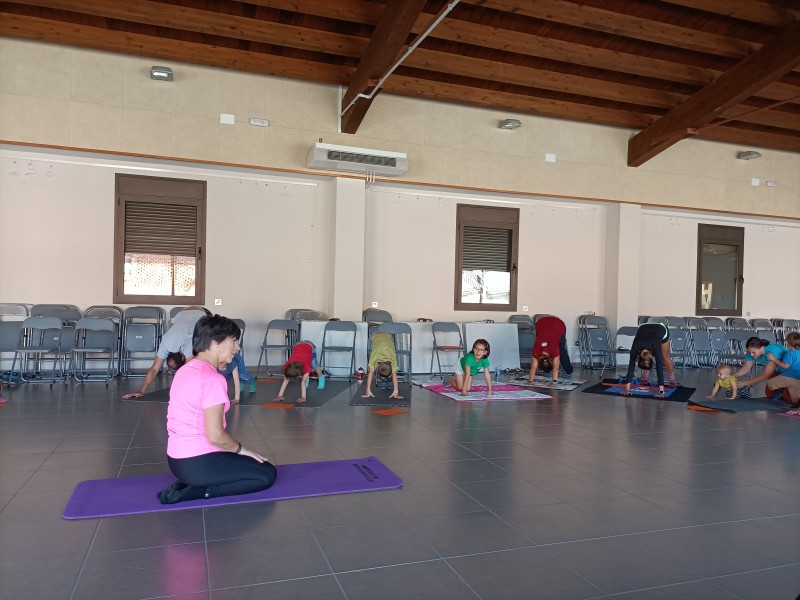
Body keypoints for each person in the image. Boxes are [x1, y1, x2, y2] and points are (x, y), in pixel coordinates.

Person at [158, 314, 277, 504]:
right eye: (234, 341)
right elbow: (215, 436)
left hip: (177, 460)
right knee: (266, 474)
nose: (237, 347)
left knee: (250, 464)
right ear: (215, 342)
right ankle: (199, 491)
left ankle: (188, 483)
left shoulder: (185, 370)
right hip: (198, 463)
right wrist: (242, 450)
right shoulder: (212, 379)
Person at [122, 307, 207, 399]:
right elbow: (154, 369)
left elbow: (190, 370)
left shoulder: (188, 344)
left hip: (200, 313)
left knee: (198, 360)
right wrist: (141, 391)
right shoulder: (165, 345)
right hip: (181, 314)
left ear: (183, 357)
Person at [622, 322, 676, 398]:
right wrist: (627, 389)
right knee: (634, 357)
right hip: (644, 328)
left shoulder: (655, 346)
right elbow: (631, 365)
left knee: (665, 356)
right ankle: (645, 377)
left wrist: (661, 392)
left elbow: (659, 366)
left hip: (661, 328)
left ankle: (672, 379)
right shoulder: (636, 345)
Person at [526, 315, 573, 387]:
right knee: (544, 337)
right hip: (542, 323)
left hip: (558, 325)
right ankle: (547, 371)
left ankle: (569, 371)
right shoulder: (536, 350)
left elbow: (556, 367)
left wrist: (554, 382)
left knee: (562, 350)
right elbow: (533, 367)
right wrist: (530, 380)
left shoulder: (554, 349)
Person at [361, 332, 403, 399]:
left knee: (383, 344)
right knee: (372, 346)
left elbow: (370, 373)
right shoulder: (391, 360)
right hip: (380, 335)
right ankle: (386, 379)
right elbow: (394, 374)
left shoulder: (375, 358)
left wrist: (367, 390)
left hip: (383, 335)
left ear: (377, 366)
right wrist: (396, 391)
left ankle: (387, 379)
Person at [764, 335, 800, 406]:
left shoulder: (790, 353)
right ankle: (796, 404)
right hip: (798, 378)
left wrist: (774, 359)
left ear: (787, 343)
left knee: (770, 383)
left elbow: (785, 366)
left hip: (788, 376)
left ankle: (778, 392)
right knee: (795, 397)